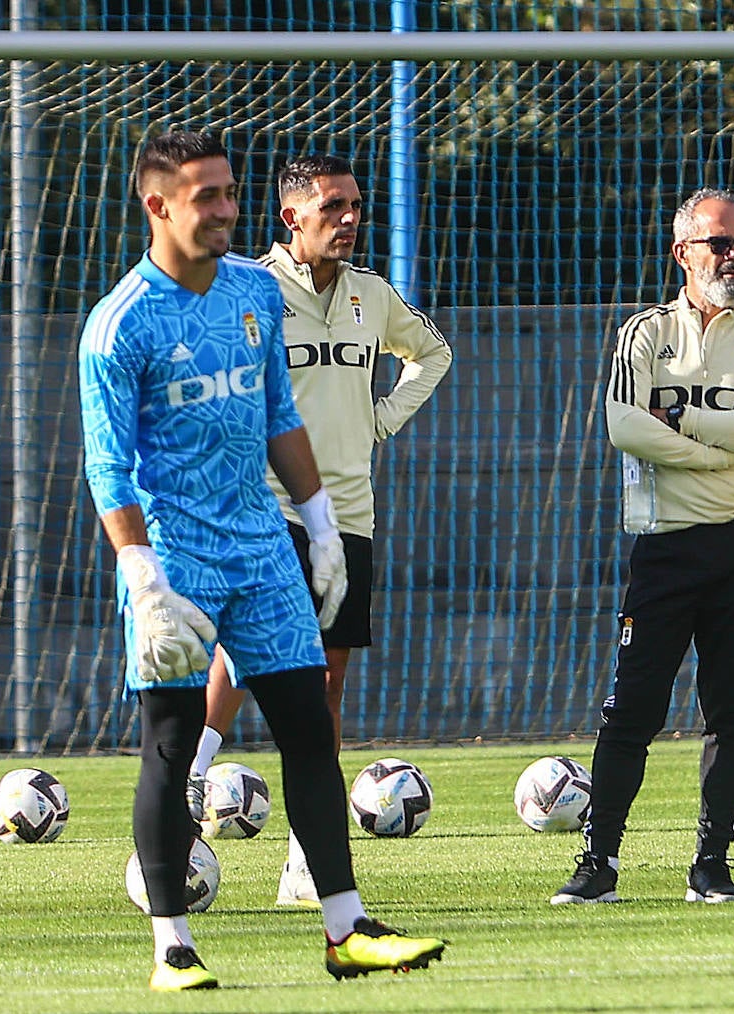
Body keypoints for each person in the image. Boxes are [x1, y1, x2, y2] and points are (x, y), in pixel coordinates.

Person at [78, 130, 445, 991]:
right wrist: (140, 573)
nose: (226, 210)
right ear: (158, 204)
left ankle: (345, 928)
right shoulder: (119, 323)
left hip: (266, 553)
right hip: (176, 559)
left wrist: (319, 524)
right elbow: (107, 464)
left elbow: (281, 415)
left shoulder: (250, 291)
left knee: (311, 732)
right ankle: (172, 945)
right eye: (208, 196)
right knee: (172, 746)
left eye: (230, 193)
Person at [185, 153, 452, 908]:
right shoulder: (247, 287)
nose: (348, 217)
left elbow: (432, 354)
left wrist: (381, 420)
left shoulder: (371, 294)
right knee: (250, 647)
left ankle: (307, 854)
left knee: (327, 683)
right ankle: (194, 773)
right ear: (290, 216)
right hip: (265, 504)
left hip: (348, 513)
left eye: (354, 205)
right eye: (332, 205)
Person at [550, 187, 734, 904]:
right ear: (681, 251)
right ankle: (598, 864)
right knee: (633, 710)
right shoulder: (645, 335)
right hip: (665, 545)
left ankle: (712, 866)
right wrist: (721, 448)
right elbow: (625, 427)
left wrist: (682, 424)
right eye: (719, 242)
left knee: (729, 712)